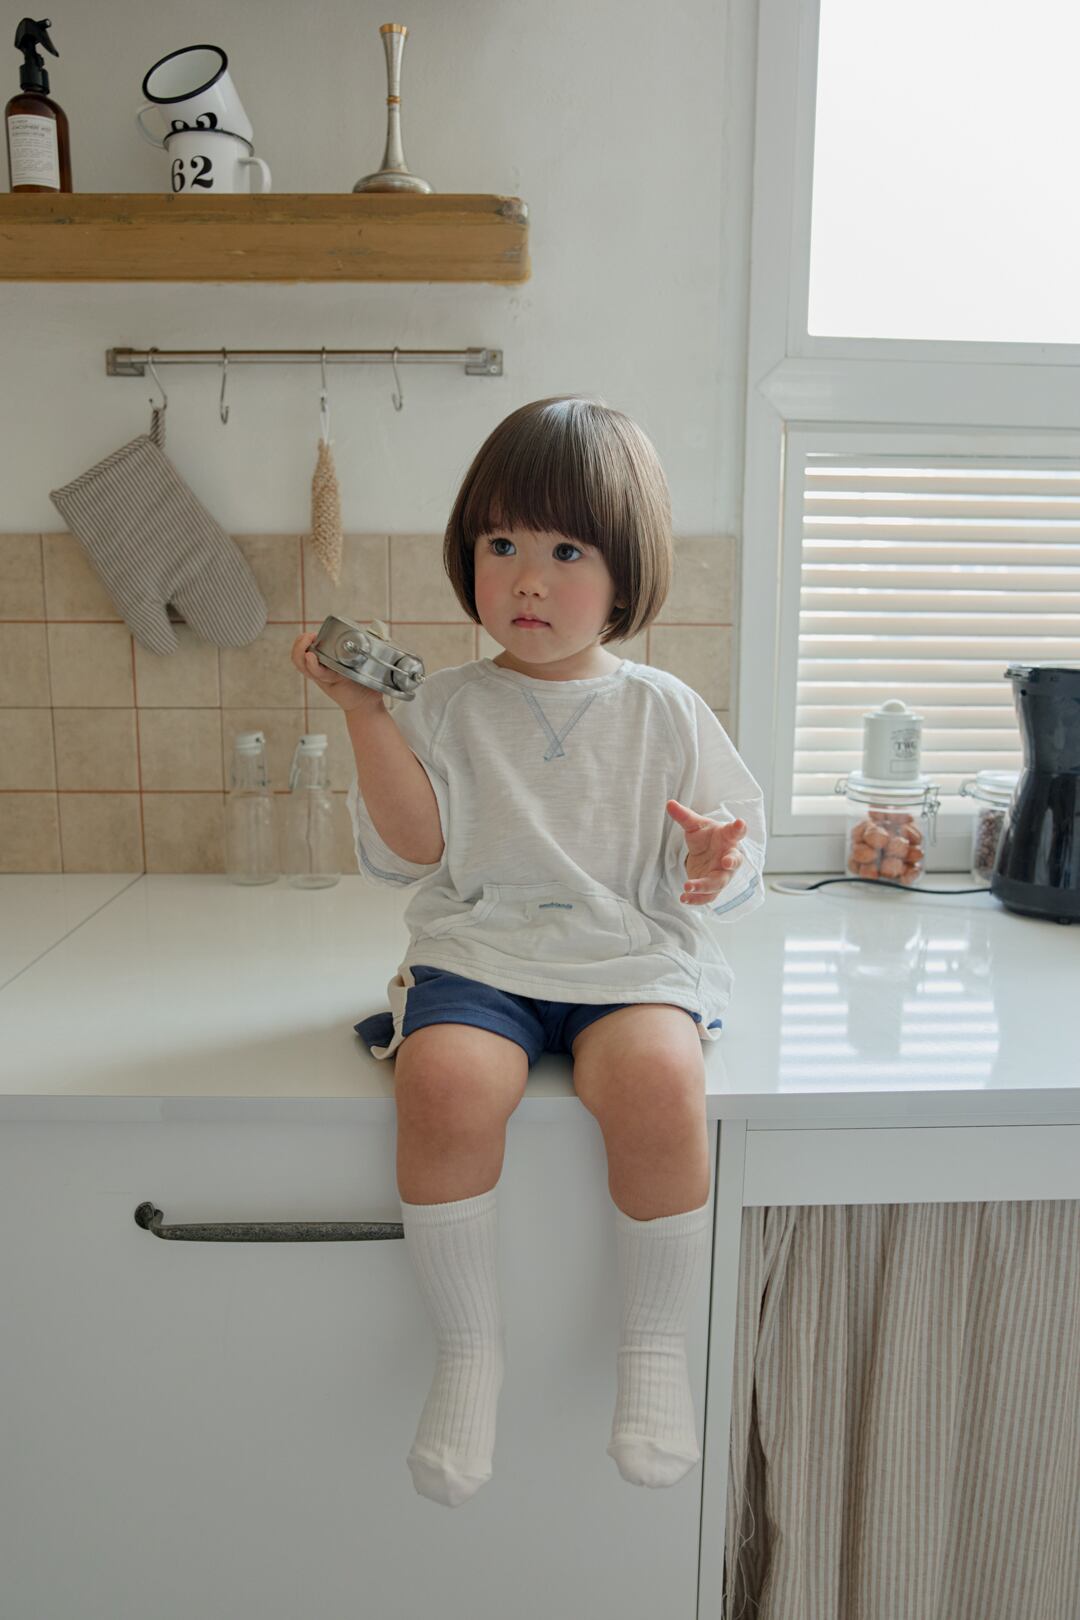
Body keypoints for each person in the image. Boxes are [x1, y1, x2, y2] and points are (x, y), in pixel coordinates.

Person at [290, 395, 766, 1510]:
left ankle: (654, 1352)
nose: (529, 581)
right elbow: (412, 854)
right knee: (443, 1084)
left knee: (662, 1083)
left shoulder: (666, 708)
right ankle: (469, 1351)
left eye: (566, 552)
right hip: (482, 957)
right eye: (501, 545)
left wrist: (717, 866)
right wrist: (365, 716)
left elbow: (737, 852)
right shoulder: (444, 705)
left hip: (628, 962)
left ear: (628, 571)